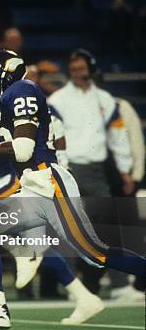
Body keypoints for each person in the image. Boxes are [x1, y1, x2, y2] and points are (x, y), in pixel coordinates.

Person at [0, 50, 145, 329]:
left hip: (50, 183)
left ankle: (27, 253)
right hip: (31, 185)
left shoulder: (22, 89)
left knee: (94, 254)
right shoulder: (2, 101)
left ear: (10, 74)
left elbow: (23, 149)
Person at [0, 71, 104, 323]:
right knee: (29, 239)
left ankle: (21, 256)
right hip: (4, 175)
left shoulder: (16, 101)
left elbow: (54, 132)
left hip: (21, 175)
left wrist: (60, 165)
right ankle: (84, 296)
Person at [48, 49, 140, 300]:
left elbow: (118, 137)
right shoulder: (57, 100)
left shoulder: (105, 99)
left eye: (82, 68)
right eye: (74, 69)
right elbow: (52, 136)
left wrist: (125, 170)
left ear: (91, 68)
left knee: (107, 230)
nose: (78, 73)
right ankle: (74, 288)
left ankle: (120, 285)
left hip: (97, 171)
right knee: (68, 229)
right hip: (70, 169)